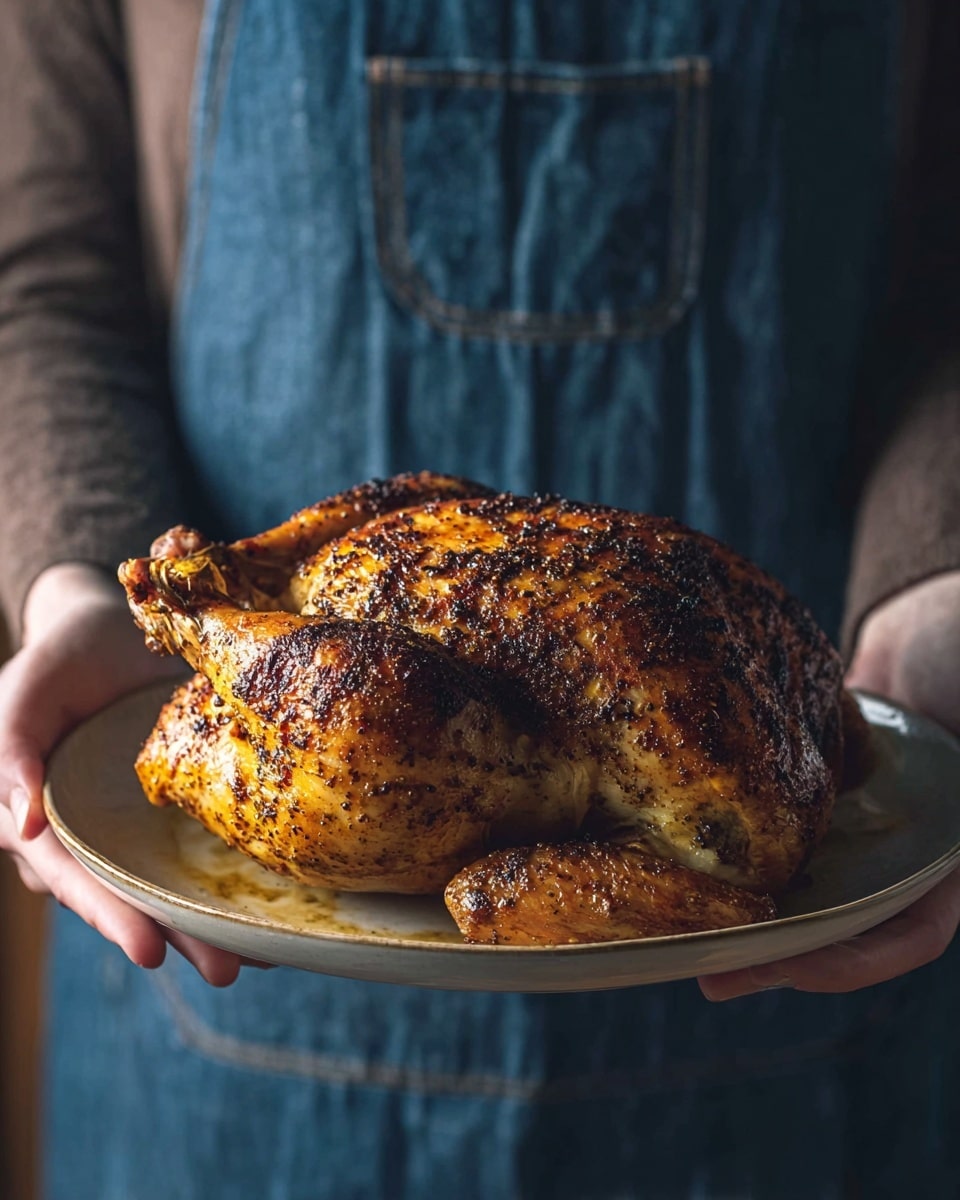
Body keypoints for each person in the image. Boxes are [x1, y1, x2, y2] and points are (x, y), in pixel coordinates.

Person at [1, 1, 958, 1196]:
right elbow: (46, 269)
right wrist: (76, 578)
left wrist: (939, 596)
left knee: (383, 737)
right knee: (396, 724)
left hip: (809, 1038)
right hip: (229, 1031)